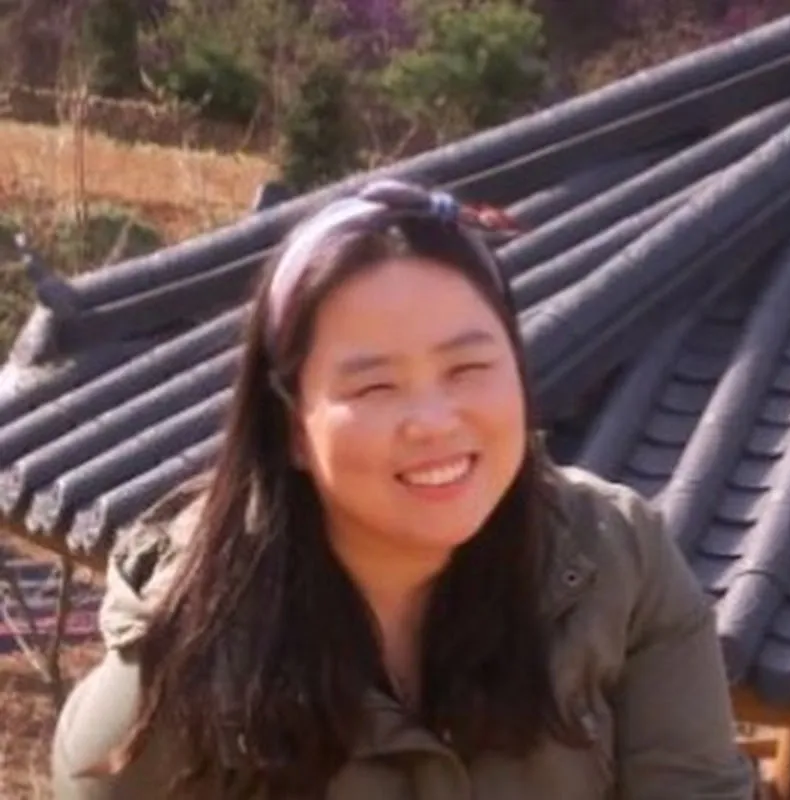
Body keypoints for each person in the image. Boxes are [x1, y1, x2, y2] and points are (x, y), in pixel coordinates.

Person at [51, 179, 754, 799]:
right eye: (375, 386)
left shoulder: (617, 563)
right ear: (292, 425)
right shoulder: (188, 652)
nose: (435, 421)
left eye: (468, 368)